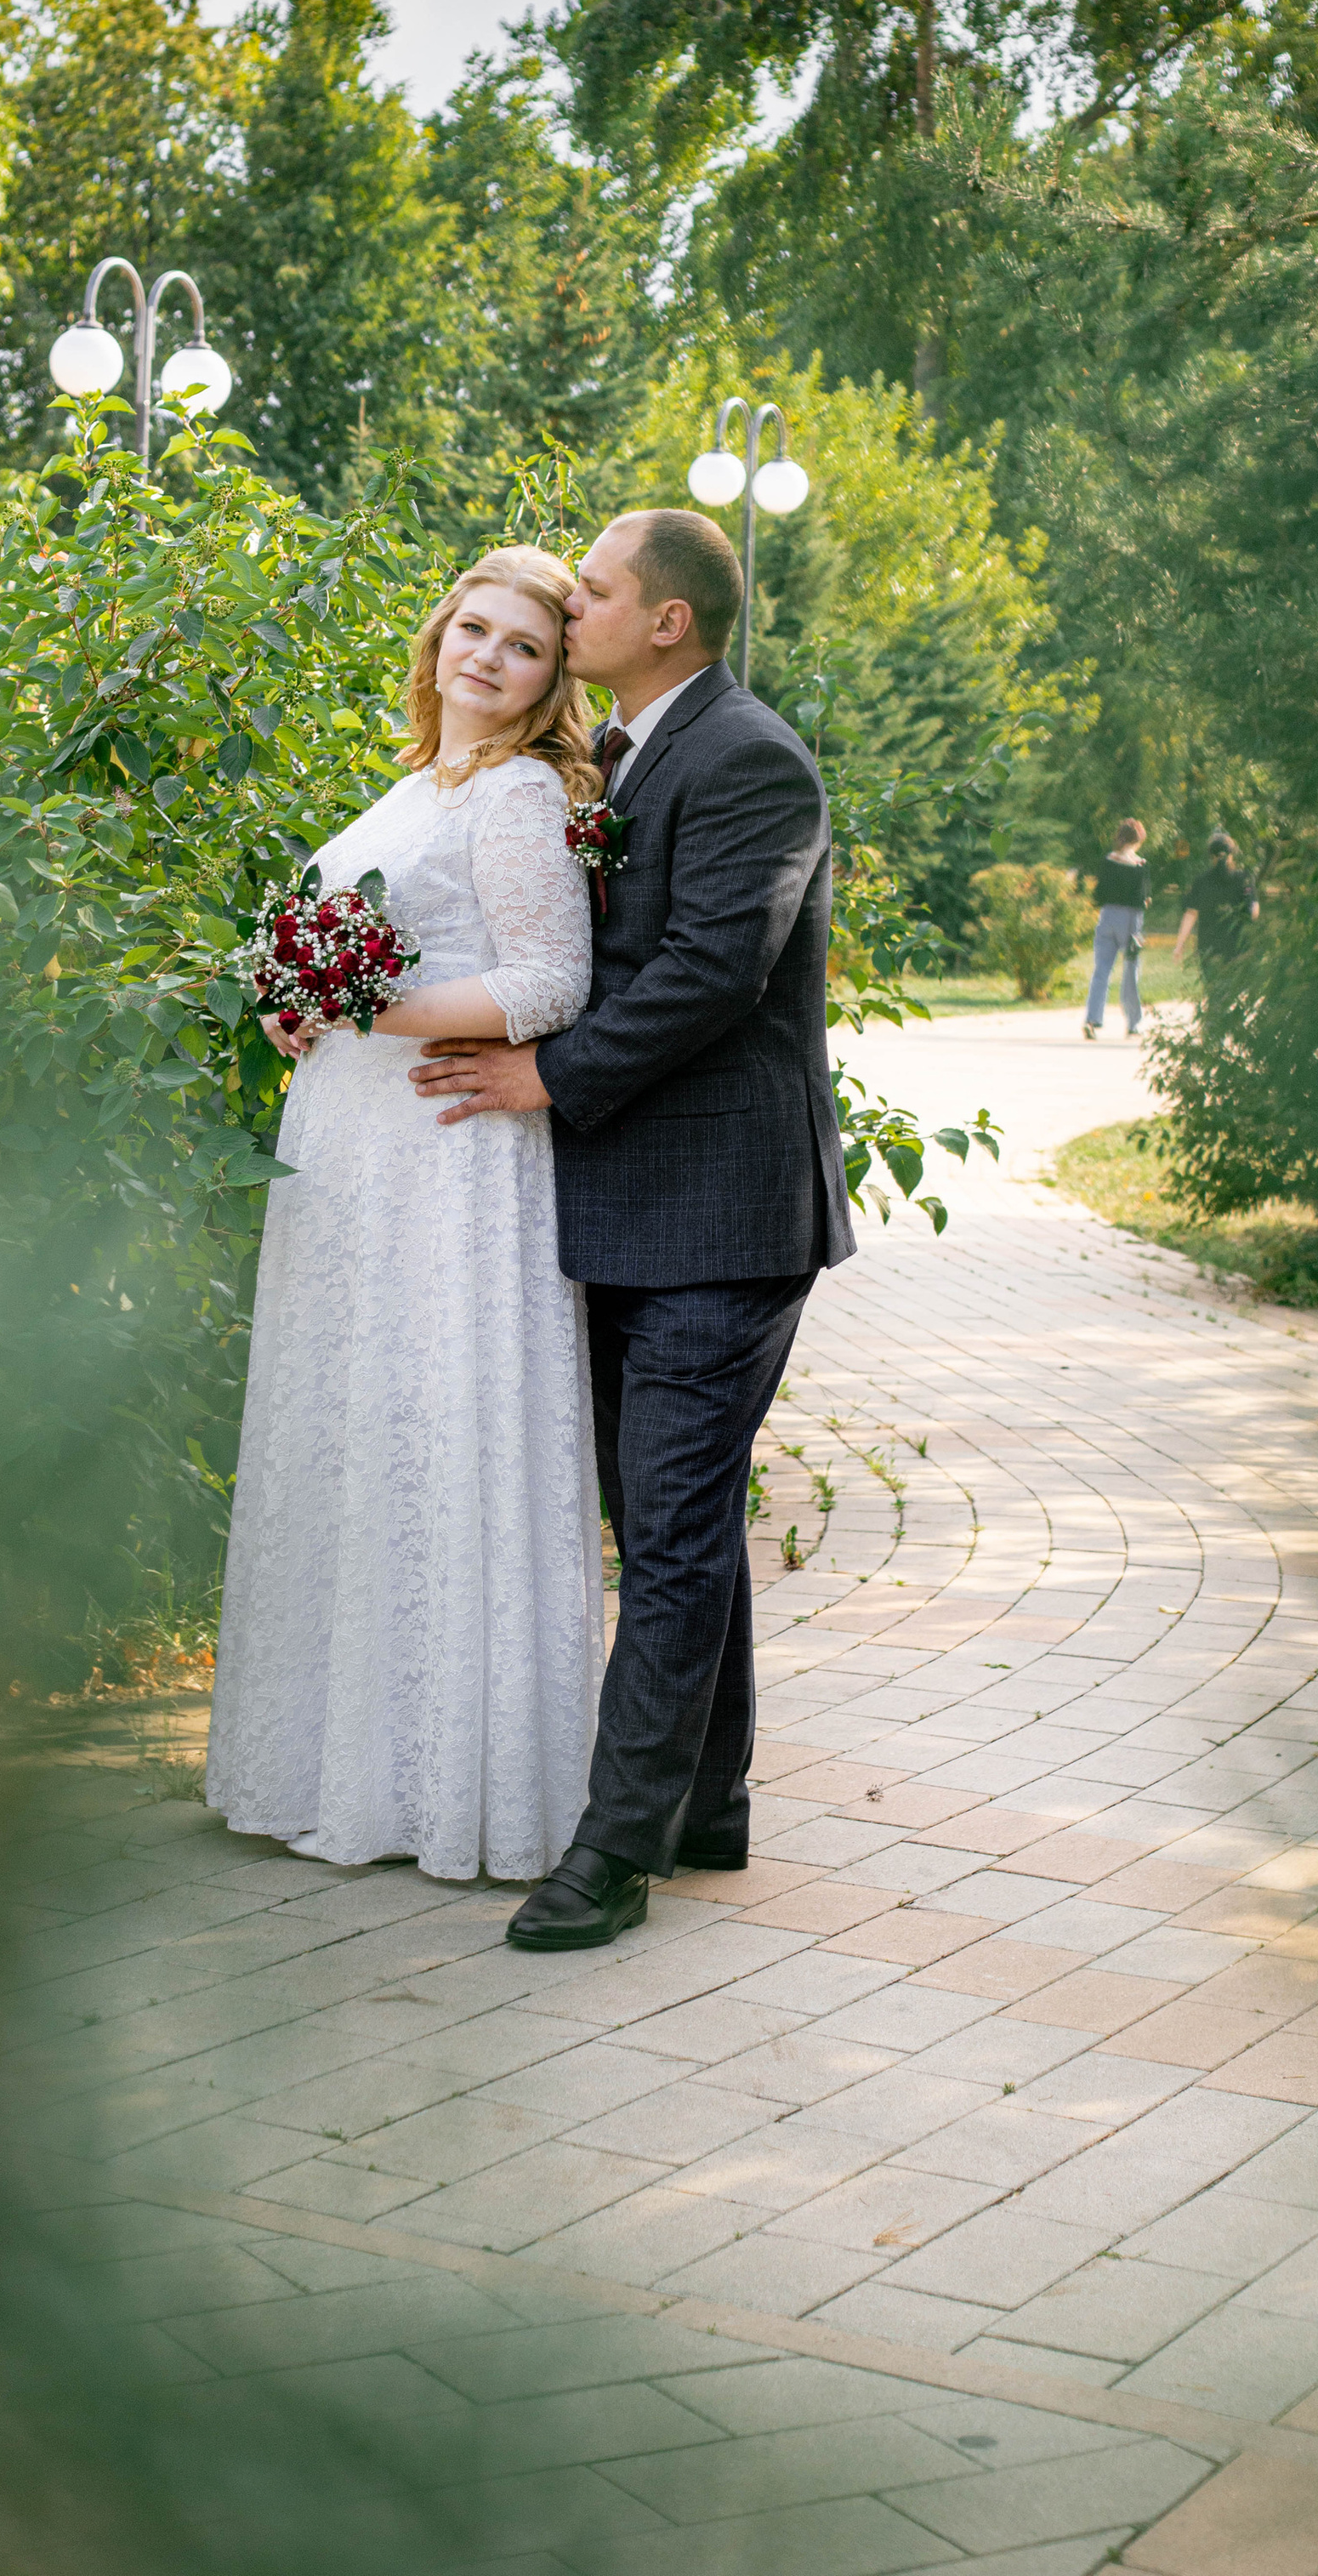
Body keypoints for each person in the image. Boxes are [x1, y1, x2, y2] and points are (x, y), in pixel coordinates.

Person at [408, 510, 855, 1953]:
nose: (572, 602)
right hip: (621, 1200)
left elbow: (715, 972)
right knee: (674, 1518)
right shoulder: (611, 757)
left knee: (662, 1532)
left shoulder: (752, 761)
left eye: (593, 590)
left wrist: (547, 1074)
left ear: (667, 621)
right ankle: (702, 1804)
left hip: (726, 1213)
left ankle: (609, 1858)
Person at [205, 549, 605, 1885]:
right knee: (355, 1430)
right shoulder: (417, 785)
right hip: (357, 1149)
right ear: (439, 637)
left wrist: (365, 1008)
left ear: (555, 682)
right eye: (473, 630)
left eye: (525, 647)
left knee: (435, 1423)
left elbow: (549, 981)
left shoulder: (519, 790)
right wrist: (296, 1000)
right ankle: (340, 1761)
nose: (488, 657)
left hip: (447, 1152)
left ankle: (455, 1784)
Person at [1083, 816, 1148, 1041]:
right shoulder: (1140, 866)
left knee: (1101, 970)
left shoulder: (1107, 861)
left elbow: (1098, 895)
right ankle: (1133, 1022)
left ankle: (1092, 1019)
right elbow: (1142, 899)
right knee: (1130, 971)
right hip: (1130, 920)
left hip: (1107, 916)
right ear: (1138, 839)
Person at [1177, 828, 1260, 973]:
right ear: (1232, 854)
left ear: (1211, 856)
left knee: (1214, 991)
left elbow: (1191, 914)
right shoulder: (1244, 879)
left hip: (1208, 946)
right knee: (1236, 991)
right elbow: (1254, 912)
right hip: (1237, 946)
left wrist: (1179, 945)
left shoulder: (1201, 881)